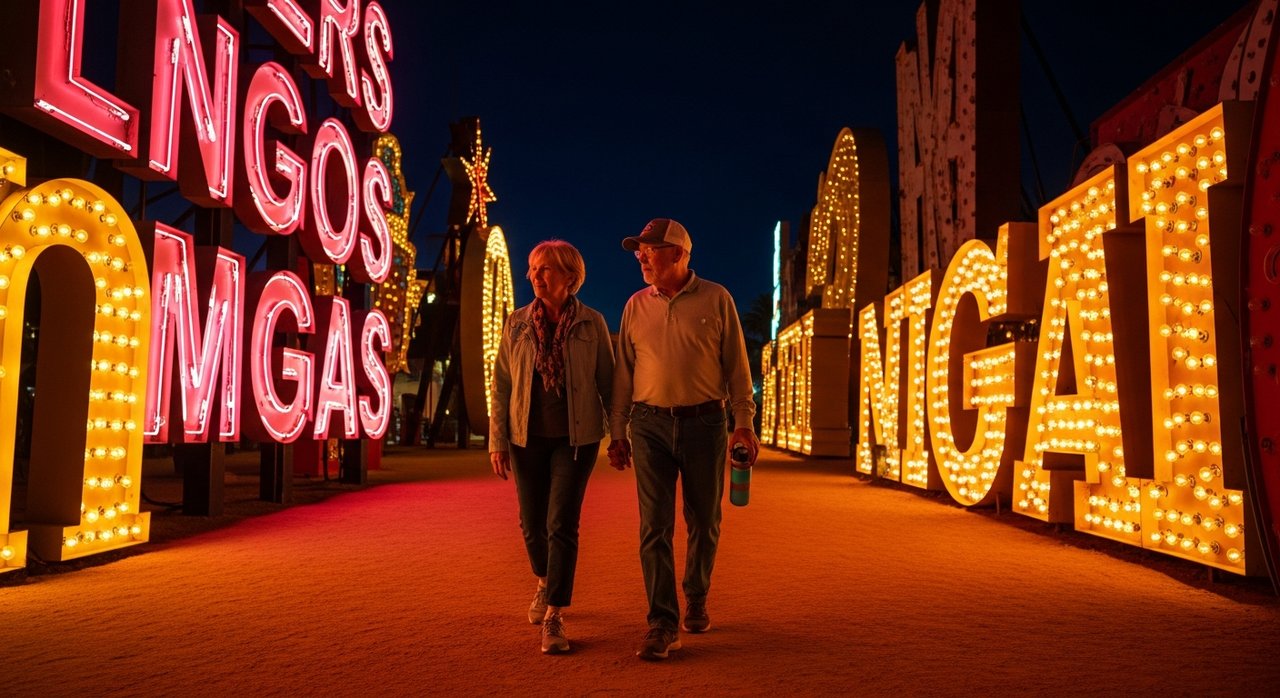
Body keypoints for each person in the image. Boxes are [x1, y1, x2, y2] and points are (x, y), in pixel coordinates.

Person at [608, 218, 759, 661]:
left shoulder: (717, 298)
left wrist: (744, 422)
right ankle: (661, 621)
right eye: (639, 250)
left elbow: (736, 366)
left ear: (678, 253)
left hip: (705, 423)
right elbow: (623, 374)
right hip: (649, 423)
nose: (641, 256)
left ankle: (695, 596)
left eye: (650, 249)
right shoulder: (635, 305)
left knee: (704, 520)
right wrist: (617, 431)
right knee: (653, 526)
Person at [490, 239, 615, 655]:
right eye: (532, 269)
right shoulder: (517, 323)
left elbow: (608, 383)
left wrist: (619, 435)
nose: (536, 276)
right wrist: (497, 441)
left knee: (561, 522)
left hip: (576, 439)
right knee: (531, 522)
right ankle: (545, 581)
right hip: (526, 436)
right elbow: (502, 385)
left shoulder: (592, 324)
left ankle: (555, 613)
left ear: (570, 276)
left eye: (545, 269)